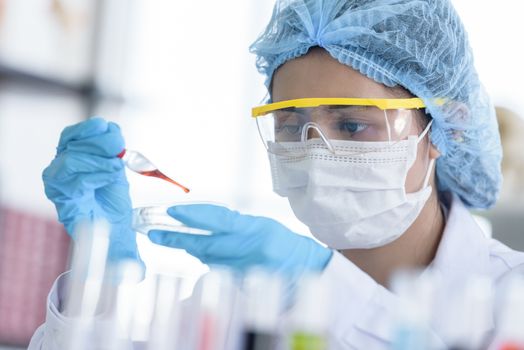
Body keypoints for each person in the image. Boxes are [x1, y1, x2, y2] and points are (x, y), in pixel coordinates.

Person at [29, 0, 524, 349]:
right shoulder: (240, 299)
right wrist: (96, 281)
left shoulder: (512, 295)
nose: (315, 152)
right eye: (291, 126)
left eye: (352, 124)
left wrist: (322, 290)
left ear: (440, 130)